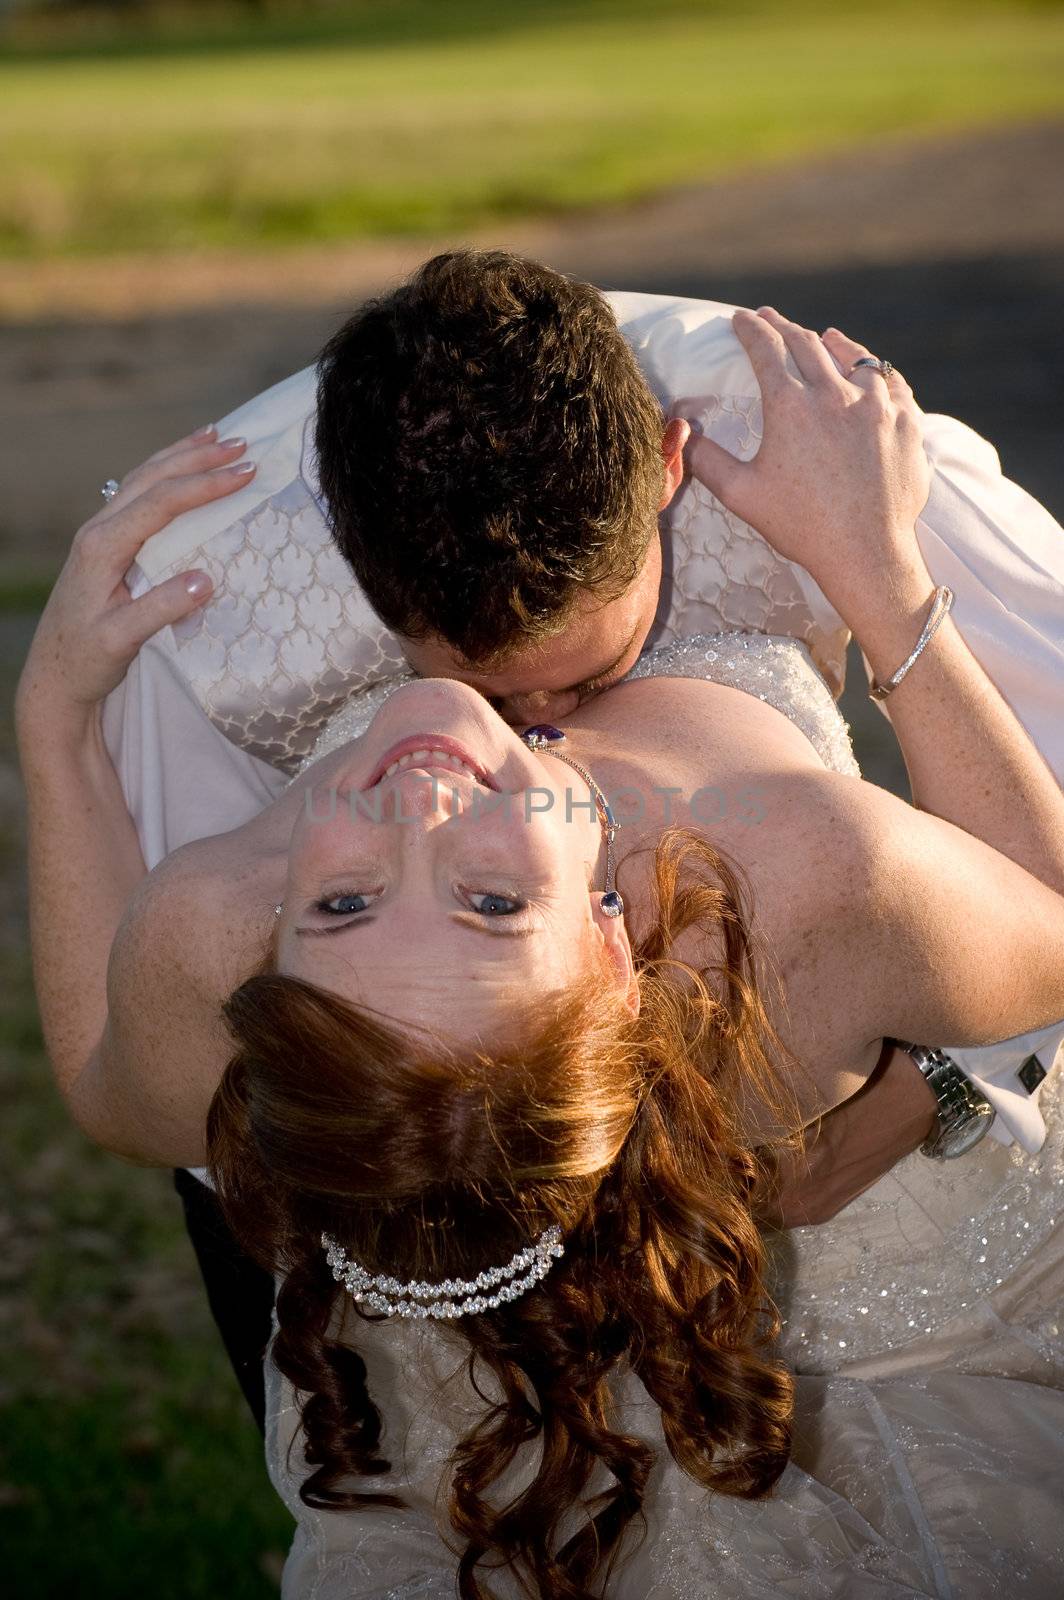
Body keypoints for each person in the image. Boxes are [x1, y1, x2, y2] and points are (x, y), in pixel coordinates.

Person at [18, 307, 1064, 1596]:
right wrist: (881, 573)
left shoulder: (216, 925)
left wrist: (55, 718)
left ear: (274, 967)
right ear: (614, 939)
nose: (416, 807)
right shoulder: (803, 877)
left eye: (342, 902)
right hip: (886, 1310)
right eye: (493, 903)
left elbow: (108, 1089)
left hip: (492, 1350)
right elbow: (1053, 925)